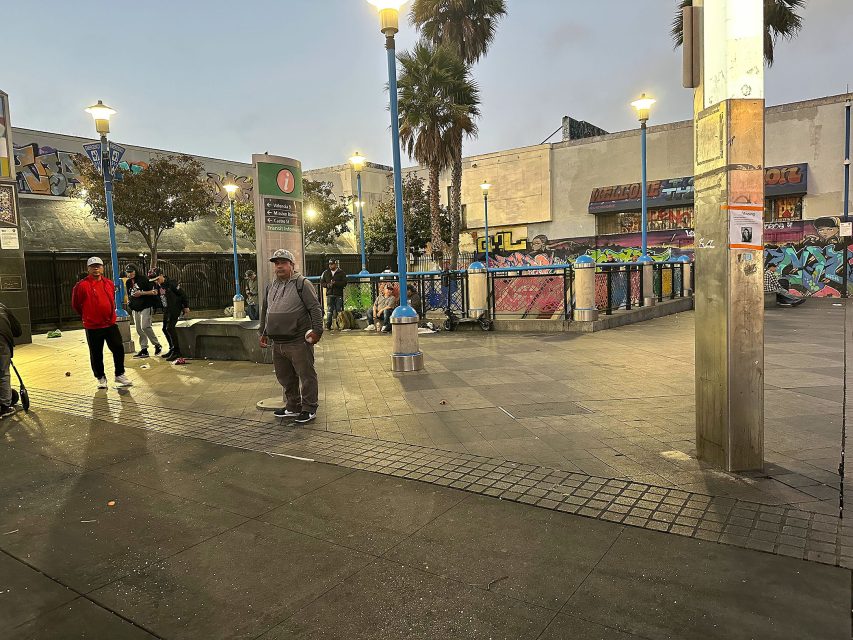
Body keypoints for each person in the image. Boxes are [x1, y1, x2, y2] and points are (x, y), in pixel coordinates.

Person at [258, 249, 323, 424]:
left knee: (306, 375)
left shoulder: (302, 284)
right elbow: (266, 310)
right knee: (285, 377)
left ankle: (309, 408)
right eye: (276, 263)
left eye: (283, 263)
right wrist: (263, 332)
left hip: (298, 341)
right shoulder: (271, 286)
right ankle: (293, 406)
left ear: (292, 265)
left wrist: (317, 331)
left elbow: (315, 308)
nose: (279, 266)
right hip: (278, 343)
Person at [71, 256, 133, 389]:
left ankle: (119, 374)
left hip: (110, 324)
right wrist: (88, 316)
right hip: (93, 326)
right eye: (93, 267)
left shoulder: (109, 283)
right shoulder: (81, 286)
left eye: (98, 266)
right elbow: (76, 304)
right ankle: (100, 377)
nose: (96, 269)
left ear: (102, 268)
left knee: (118, 348)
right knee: (96, 353)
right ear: (88, 269)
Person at [149, 268, 190, 361]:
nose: (156, 282)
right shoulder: (158, 286)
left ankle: (177, 351)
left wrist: (186, 306)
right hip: (167, 309)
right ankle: (172, 349)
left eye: (157, 279)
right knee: (164, 329)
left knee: (170, 328)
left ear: (161, 275)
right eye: (154, 280)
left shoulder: (171, 283)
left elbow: (182, 294)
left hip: (175, 307)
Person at [124, 263, 162, 358]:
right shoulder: (128, 282)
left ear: (135, 271)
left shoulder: (144, 279)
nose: (130, 274)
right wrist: (129, 301)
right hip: (135, 307)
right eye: (128, 272)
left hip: (146, 305)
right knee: (138, 329)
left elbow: (154, 292)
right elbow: (129, 293)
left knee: (145, 326)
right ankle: (144, 348)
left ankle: (157, 344)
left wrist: (142, 293)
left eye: (131, 272)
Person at [0, 302, 22, 418]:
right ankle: (5, 407)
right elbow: (17, 330)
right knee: (3, 373)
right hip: (2, 342)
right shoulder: (2, 307)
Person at [320, 258, 347, 330]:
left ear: (335, 264)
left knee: (339, 309)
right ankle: (328, 326)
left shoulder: (341, 273)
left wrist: (336, 283)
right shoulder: (326, 273)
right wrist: (328, 285)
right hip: (330, 294)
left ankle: (340, 325)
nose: (330, 266)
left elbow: (344, 283)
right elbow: (322, 283)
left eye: (332, 264)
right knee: (329, 310)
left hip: (338, 294)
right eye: (329, 264)